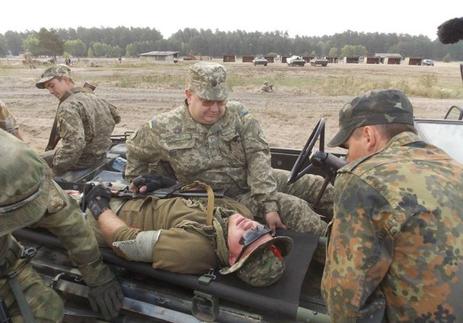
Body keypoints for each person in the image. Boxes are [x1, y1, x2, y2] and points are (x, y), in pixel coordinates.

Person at [126, 62, 332, 237]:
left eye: (220, 101)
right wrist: (140, 188)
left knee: (316, 186)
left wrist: (267, 200)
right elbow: (135, 150)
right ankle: (335, 254)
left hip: (250, 178)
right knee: (294, 209)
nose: (215, 109)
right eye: (207, 102)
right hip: (219, 197)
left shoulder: (238, 114)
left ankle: (358, 226)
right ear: (189, 95)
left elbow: (257, 155)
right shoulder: (163, 127)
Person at [321, 89, 463, 322]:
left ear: (368, 135)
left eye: (347, 147)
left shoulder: (364, 179)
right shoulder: (454, 168)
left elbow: (346, 302)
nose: (347, 159)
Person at [0, 130, 123, 322]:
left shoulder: (24, 173)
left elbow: (68, 220)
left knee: (46, 312)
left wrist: (96, 275)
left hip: (4, 259)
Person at [81, 182, 293, 287]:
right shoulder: (239, 214)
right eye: (261, 231)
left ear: (231, 259)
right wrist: (167, 183)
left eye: (248, 239)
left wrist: (98, 205)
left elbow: (125, 242)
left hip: (104, 218)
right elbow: (202, 194)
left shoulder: (192, 250)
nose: (251, 228)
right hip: (134, 194)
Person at [35, 64, 121, 176]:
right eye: (48, 88)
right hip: (100, 154)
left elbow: (74, 146)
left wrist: (56, 170)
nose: (50, 91)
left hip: (82, 161)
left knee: (31, 161)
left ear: (65, 80)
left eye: (52, 85)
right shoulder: (92, 96)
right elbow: (116, 117)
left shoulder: (68, 106)